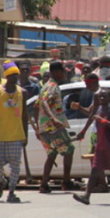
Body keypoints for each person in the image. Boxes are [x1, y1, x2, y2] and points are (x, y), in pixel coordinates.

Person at [74, 88, 110, 205]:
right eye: (100, 97)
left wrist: (103, 121)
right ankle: (86, 196)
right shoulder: (97, 110)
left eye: (104, 96)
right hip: (100, 146)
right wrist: (82, 132)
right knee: (94, 171)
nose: (101, 98)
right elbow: (90, 117)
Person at [0, 61, 28, 203]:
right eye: (12, 76)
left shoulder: (22, 92)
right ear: (7, 77)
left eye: (16, 75)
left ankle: (11, 192)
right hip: (0, 136)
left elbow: (24, 116)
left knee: (15, 166)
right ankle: (1, 181)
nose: (15, 78)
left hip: (16, 136)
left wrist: (25, 136)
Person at [35, 61, 76, 193]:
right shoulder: (52, 86)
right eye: (63, 71)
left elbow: (37, 106)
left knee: (52, 154)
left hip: (45, 128)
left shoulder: (45, 86)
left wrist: (38, 126)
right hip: (53, 127)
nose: (64, 74)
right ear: (56, 72)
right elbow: (45, 103)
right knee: (69, 149)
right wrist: (53, 119)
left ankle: (44, 184)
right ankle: (66, 181)